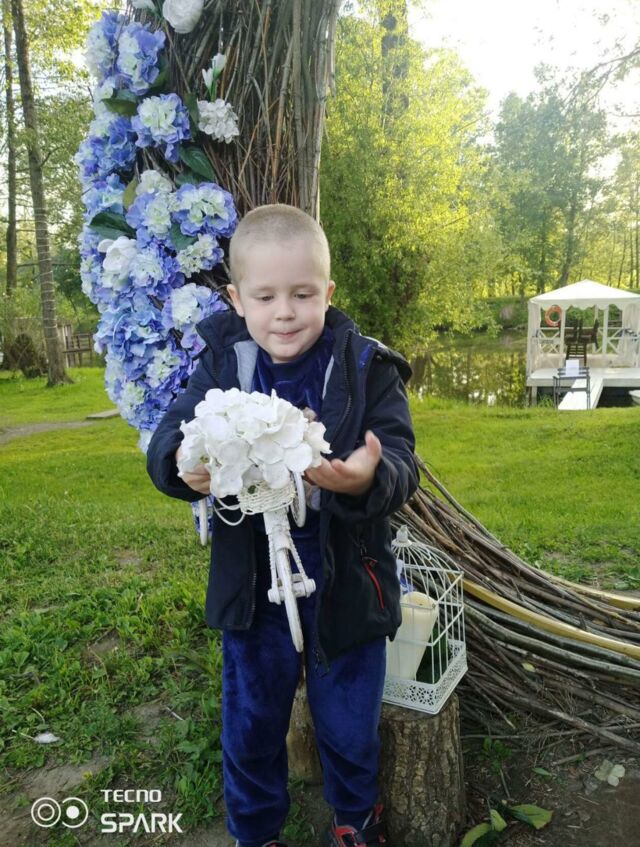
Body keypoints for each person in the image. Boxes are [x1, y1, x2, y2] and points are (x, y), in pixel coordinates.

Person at [146, 204, 419, 847]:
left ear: (328, 291)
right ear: (237, 299)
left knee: (349, 720)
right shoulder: (222, 365)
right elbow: (169, 439)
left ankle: (355, 820)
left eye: (302, 294)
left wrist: (365, 478)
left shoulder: (366, 366)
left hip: (347, 577)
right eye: (265, 297)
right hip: (252, 582)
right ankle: (255, 830)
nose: (285, 313)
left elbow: (401, 461)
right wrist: (183, 464)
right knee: (251, 722)